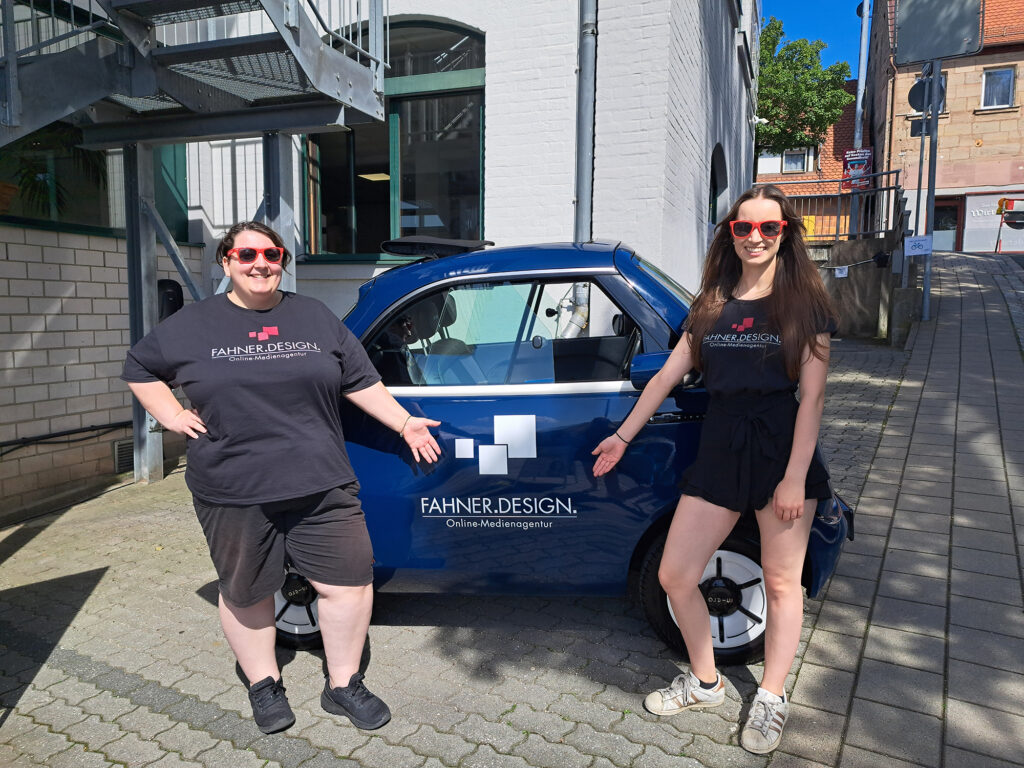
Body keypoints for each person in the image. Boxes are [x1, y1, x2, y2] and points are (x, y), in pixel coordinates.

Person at [122, 221, 441, 734]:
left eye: (271, 254)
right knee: (246, 590)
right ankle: (264, 683)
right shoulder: (192, 324)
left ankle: (343, 685)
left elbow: (361, 379)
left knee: (351, 584)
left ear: (282, 261)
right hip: (233, 488)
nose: (260, 263)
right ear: (226, 261)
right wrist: (170, 415)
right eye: (246, 254)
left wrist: (403, 422)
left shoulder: (312, 316)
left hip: (321, 482)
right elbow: (140, 367)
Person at [592, 185, 837, 755]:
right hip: (721, 447)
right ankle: (706, 682)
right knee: (676, 574)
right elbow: (665, 376)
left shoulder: (806, 305)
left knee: (781, 582)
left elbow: (815, 397)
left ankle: (772, 697)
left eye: (768, 228)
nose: (755, 237)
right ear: (730, 233)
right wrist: (623, 436)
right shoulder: (710, 304)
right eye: (743, 227)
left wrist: (796, 477)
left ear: (785, 234)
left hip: (781, 449)